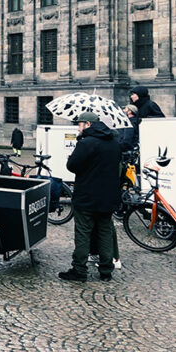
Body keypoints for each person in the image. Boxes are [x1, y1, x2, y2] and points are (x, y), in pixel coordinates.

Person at [59, 112, 121, 282]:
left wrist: (72, 157)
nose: (78, 128)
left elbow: (72, 166)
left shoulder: (86, 143)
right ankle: (106, 271)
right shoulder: (114, 142)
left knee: (83, 233)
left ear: (87, 124)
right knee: (105, 232)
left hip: (87, 195)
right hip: (108, 197)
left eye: (79, 124)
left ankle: (79, 270)